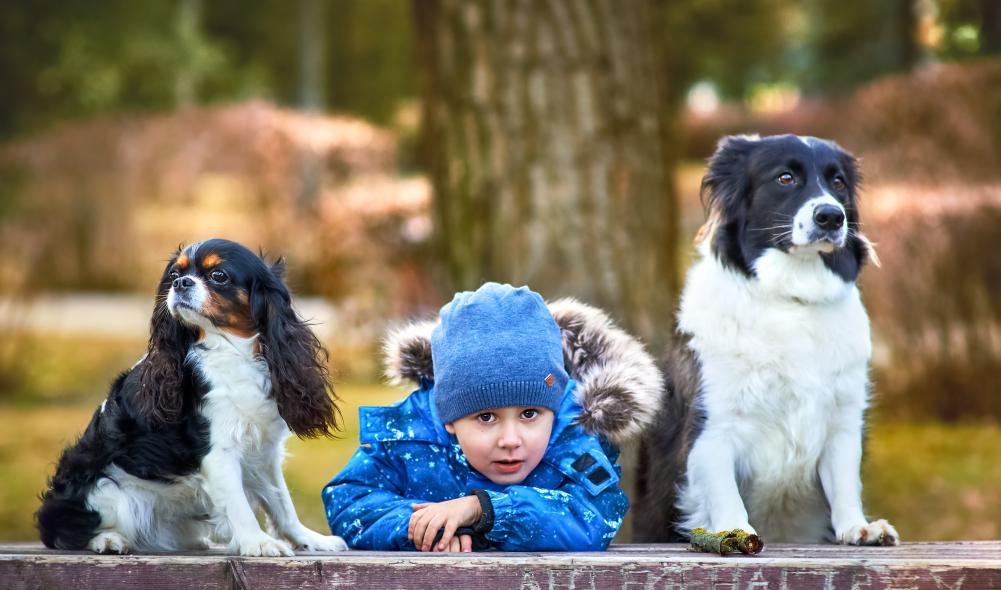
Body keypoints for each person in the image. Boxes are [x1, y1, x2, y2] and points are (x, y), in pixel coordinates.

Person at [322, 283, 662, 551]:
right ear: (448, 417)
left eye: (529, 413)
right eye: (486, 417)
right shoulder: (413, 435)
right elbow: (349, 499)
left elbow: (594, 516)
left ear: (554, 406)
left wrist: (483, 510)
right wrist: (425, 527)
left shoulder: (572, 440)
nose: (510, 440)